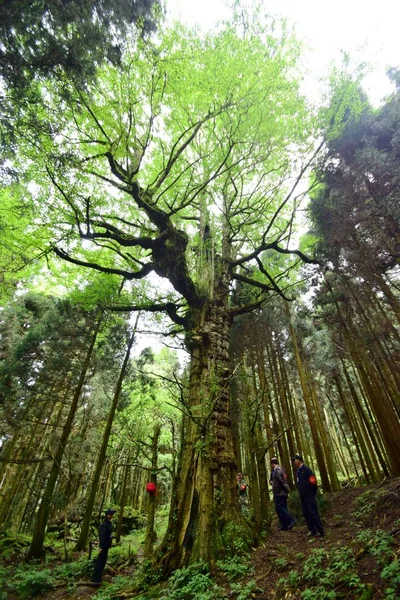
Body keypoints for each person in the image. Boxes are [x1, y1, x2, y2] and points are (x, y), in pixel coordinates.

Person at [291, 454, 324, 537]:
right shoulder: (298, 471)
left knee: (313, 512)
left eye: (295, 460)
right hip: (302, 495)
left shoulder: (306, 469)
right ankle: (312, 530)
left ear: (299, 460)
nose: (294, 462)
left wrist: (312, 492)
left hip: (309, 495)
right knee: (306, 513)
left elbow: (313, 481)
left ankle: (320, 530)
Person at [91, 509, 116, 584]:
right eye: (110, 514)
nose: (111, 516)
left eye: (112, 514)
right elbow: (102, 536)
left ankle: (98, 577)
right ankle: (95, 578)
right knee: (100, 561)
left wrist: (109, 544)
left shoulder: (109, 524)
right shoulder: (104, 525)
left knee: (103, 561)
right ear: (107, 515)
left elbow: (109, 535)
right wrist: (101, 547)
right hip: (103, 547)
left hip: (106, 546)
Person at [270, 457, 296, 531]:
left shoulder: (277, 470)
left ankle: (291, 519)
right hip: (281, 492)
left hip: (279, 492)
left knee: (279, 507)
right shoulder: (281, 469)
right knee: (283, 507)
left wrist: (286, 489)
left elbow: (281, 481)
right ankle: (285, 525)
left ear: (272, 464)